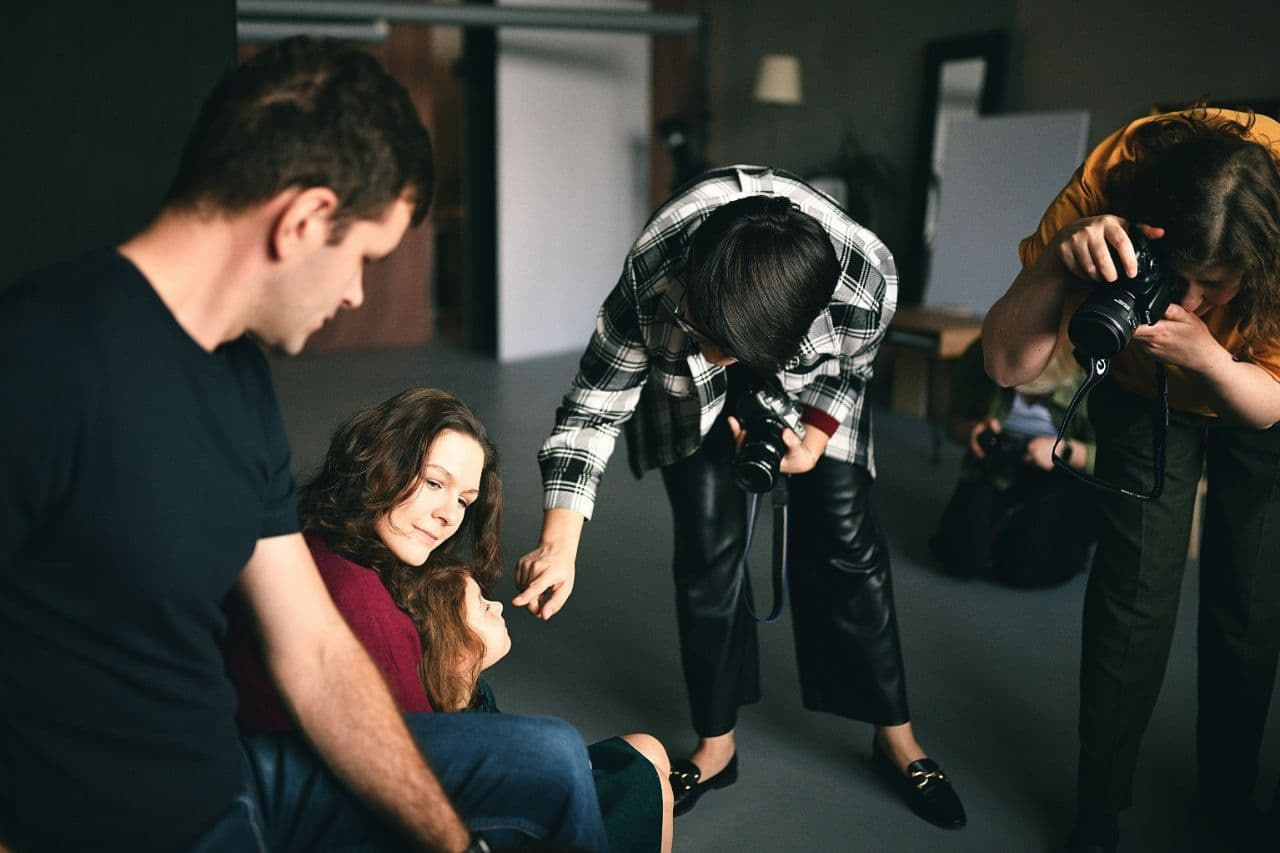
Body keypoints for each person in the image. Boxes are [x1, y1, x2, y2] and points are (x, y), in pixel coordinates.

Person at [0, 37, 602, 853]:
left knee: (553, 758)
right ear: (306, 219)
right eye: (361, 258)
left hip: (239, 776)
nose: (356, 293)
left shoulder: (237, 375)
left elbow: (313, 647)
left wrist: (455, 847)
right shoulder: (41, 358)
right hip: (127, 828)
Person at [514, 165, 967, 828]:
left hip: (811, 393)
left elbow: (849, 369)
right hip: (684, 405)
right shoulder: (658, 266)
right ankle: (716, 743)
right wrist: (559, 544)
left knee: (847, 544)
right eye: (704, 336)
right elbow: (594, 406)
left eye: (723, 349)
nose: (713, 356)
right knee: (706, 553)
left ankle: (895, 737)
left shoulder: (869, 275)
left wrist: (812, 438)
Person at [982, 105, 1280, 852]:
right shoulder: (1104, 188)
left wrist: (1212, 356)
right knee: (1133, 591)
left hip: (1256, 386)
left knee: (1249, 595)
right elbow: (1006, 366)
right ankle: (1100, 801)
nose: (1185, 302)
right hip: (1145, 392)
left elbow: (1270, 408)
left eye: (1211, 283)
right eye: (1174, 277)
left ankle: (1227, 788)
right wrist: (1057, 261)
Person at [225, 387, 665, 851]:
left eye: (463, 501)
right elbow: (417, 782)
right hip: (339, 818)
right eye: (435, 483)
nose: (447, 516)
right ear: (378, 463)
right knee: (623, 766)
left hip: (313, 793)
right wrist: (465, 673)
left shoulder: (327, 549)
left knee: (637, 758)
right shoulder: (357, 596)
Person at [401, 562, 676, 853]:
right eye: (483, 607)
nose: (497, 606)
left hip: (531, 791)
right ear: (454, 654)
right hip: (521, 825)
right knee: (650, 784)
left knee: (649, 747)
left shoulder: (473, 694)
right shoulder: (452, 733)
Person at [930, 337, 1098, 587]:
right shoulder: (981, 353)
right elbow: (953, 422)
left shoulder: (1089, 373)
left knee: (1024, 570)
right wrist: (972, 431)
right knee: (958, 557)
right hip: (996, 463)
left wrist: (1064, 451)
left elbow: (1116, 461)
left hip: (1063, 474)